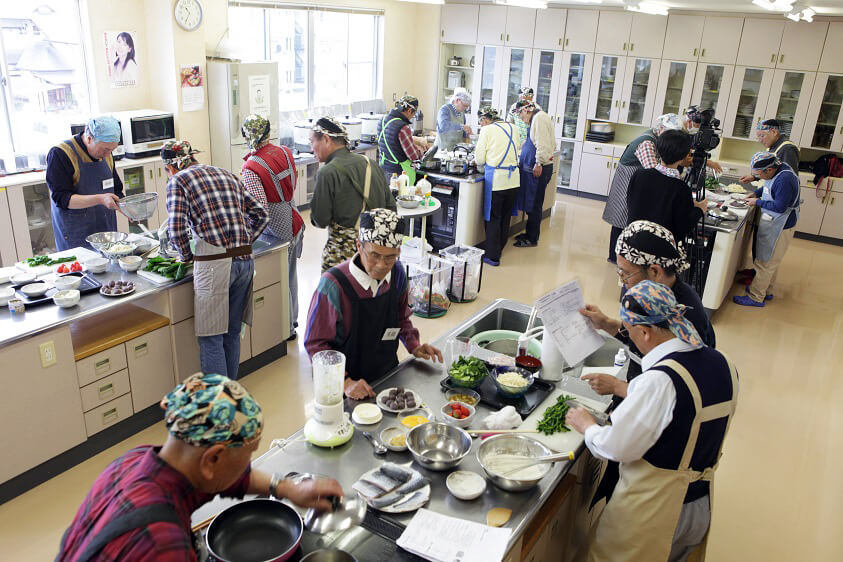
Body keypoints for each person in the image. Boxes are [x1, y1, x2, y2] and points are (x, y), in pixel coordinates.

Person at [57, 374, 343, 561]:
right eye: (247, 456)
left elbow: (219, 480)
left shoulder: (133, 460)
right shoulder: (163, 545)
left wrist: (287, 488)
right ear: (212, 459)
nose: (247, 466)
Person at [567, 281, 738, 562]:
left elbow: (616, 447)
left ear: (645, 332)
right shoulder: (723, 363)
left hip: (655, 510)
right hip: (699, 505)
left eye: (630, 331)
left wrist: (587, 425)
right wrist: (624, 388)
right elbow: (683, 411)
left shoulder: (658, 381)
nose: (629, 337)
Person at [305, 209, 442, 400]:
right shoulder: (333, 286)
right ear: (359, 246)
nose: (381, 265)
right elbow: (315, 344)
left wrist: (414, 344)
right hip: (345, 387)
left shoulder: (398, 274)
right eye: (375, 255)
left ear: (398, 252)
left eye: (390, 257)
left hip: (387, 378)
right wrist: (344, 382)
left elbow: (401, 317)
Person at [164, 140, 268, 379]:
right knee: (231, 332)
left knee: (211, 336)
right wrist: (244, 241)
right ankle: (231, 392)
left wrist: (187, 256)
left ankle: (219, 403)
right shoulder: (227, 174)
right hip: (244, 262)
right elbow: (261, 215)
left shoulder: (178, 181)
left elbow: (177, 230)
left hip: (214, 267)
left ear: (171, 167)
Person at [240, 114, 304, 340]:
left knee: (279, 278)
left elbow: (260, 211)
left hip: (276, 228)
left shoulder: (251, 167)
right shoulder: (285, 152)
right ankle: (293, 319)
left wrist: (247, 236)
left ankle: (287, 329)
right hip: (294, 216)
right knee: (291, 275)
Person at [310, 117, 396, 272]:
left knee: (339, 295)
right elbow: (391, 207)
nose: (311, 148)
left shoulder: (327, 172)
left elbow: (320, 220)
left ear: (326, 139)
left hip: (343, 257)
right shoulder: (371, 164)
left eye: (312, 142)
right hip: (375, 254)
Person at [602, 113, 684, 263]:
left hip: (637, 180)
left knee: (627, 219)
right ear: (661, 128)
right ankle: (615, 257)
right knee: (621, 219)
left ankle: (622, 255)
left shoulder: (657, 139)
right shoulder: (647, 142)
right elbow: (653, 170)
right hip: (628, 180)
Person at [46, 115, 124, 251]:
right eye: (105, 149)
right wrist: (100, 199)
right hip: (76, 232)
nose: (108, 154)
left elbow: (116, 188)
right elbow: (62, 198)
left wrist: (127, 207)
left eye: (112, 149)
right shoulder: (61, 154)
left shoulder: (106, 153)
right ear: (89, 139)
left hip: (105, 229)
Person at [733, 151, 800, 307]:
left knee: (765, 262)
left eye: (758, 174)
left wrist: (757, 202)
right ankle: (766, 290)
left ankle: (756, 297)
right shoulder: (778, 168)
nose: (758, 177)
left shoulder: (785, 179)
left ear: (769, 169)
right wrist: (755, 193)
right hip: (773, 222)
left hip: (780, 225)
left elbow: (780, 207)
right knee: (771, 261)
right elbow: (767, 188)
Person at [626, 129, 709, 246]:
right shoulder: (681, 188)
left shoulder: (639, 174)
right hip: (661, 250)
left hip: (631, 243)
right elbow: (683, 227)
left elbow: (635, 204)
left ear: (658, 150)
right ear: (685, 156)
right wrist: (700, 209)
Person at [472, 106, 520, 267]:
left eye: (481, 122)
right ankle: (499, 248)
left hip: (497, 180)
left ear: (484, 120)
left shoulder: (487, 131)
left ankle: (492, 256)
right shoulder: (513, 127)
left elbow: (479, 159)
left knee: (493, 218)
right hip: (513, 179)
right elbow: (517, 148)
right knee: (505, 217)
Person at [512, 99, 556, 248]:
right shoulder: (536, 118)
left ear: (526, 110)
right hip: (534, 167)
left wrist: (538, 163)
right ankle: (529, 233)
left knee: (535, 204)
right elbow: (534, 141)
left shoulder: (539, 118)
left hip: (539, 168)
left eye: (521, 116)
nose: (522, 120)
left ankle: (532, 238)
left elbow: (542, 144)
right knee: (531, 203)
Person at [377, 95, 428, 185]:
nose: (412, 117)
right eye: (413, 114)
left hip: (383, 169)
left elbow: (392, 141)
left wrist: (415, 141)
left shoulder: (382, 119)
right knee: (400, 198)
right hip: (399, 174)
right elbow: (413, 156)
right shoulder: (403, 127)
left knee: (387, 197)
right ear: (409, 111)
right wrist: (422, 153)